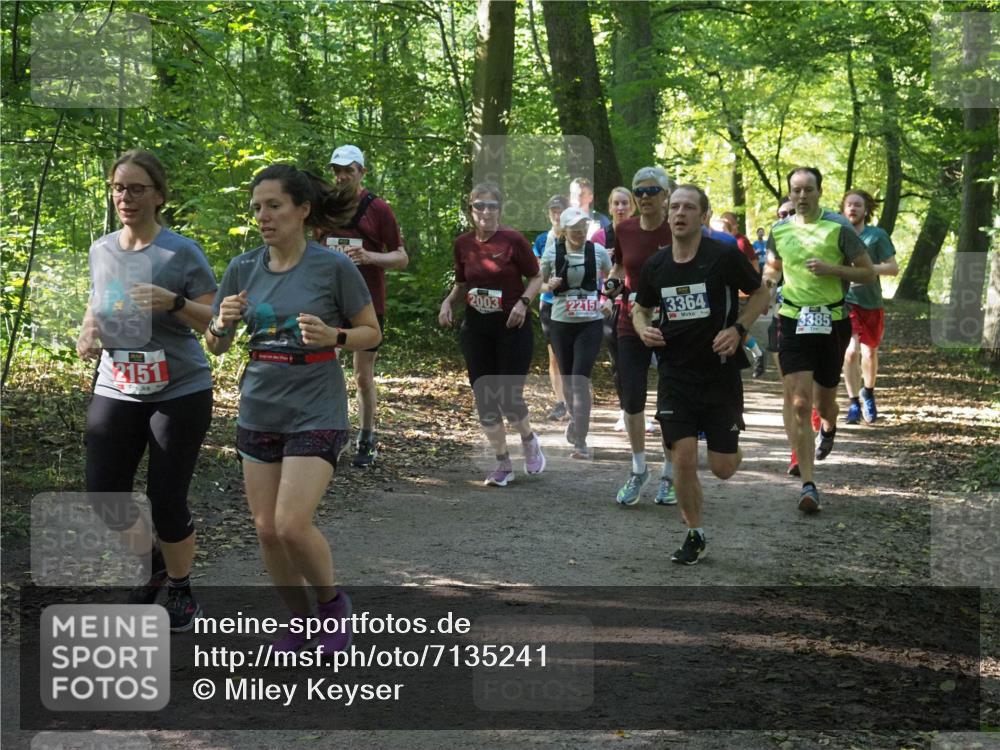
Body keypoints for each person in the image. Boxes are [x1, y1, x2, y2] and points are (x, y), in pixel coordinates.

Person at [207, 164, 381, 653]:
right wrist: (221, 323)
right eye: (257, 208)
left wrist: (336, 336)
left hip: (316, 409)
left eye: (274, 205)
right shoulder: (243, 268)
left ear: (302, 211)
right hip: (258, 409)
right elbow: (217, 345)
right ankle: (301, 622)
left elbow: (372, 331)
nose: (263, 216)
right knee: (265, 531)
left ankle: (331, 606)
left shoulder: (333, 267)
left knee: (290, 523)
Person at [77, 149, 217, 632]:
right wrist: (87, 329)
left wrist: (173, 302)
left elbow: (215, 323)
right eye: (118, 187)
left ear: (158, 196)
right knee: (103, 494)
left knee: (165, 497)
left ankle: (180, 588)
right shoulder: (102, 249)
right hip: (117, 383)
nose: (125, 197)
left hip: (178, 388)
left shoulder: (181, 252)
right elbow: (98, 300)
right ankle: (156, 563)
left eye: (136, 188)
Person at [633, 184, 770, 564]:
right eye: (674, 207)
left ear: (703, 216)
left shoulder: (723, 256)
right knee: (683, 458)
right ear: (666, 214)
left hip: (719, 374)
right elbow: (640, 308)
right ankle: (694, 533)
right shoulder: (655, 266)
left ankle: (730, 448)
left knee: (722, 468)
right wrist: (644, 327)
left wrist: (739, 329)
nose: (679, 213)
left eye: (688, 207)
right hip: (675, 374)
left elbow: (761, 295)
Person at [762, 168, 875, 513]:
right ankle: (808, 485)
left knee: (825, 402)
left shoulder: (838, 227)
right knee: (798, 402)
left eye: (808, 190)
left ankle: (829, 424)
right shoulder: (779, 230)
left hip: (832, 321)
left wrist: (832, 269)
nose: (801, 196)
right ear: (790, 194)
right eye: (796, 190)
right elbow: (773, 268)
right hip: (794, 319)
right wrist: (767, 286)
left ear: (819, 192)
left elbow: (868, 272)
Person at [438, 183, 546, 486]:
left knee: (509, 398)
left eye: (491, 206)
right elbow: (461, 284)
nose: (485, 212)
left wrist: (524, 304)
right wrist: (448, 302)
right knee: (485, 398)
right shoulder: (463, 244)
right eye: (478, 206)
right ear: (470, 210)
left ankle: (528, 438)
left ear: (500, 209)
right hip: (477, 330)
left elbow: (536, 277)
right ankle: (503, 464)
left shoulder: (512, 240)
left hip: (512, 327)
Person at [324, 145, 408, 468]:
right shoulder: (326, 208)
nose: (341, 176)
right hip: (330, 300)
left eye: (348, 170)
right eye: (336, 170)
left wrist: (370, 257)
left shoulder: (378, 209)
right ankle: (331, 432)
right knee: (326, 368)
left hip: (367, 302)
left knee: (362, 375)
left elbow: (401, 257)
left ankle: (366, 437)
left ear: (362, 172)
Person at [606, 166, 677, 506]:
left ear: (666, 196)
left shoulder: (678, 227)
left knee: (670, 400)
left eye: (652, 191)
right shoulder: (625, 228)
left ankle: (669, 473)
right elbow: (621, 267)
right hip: (631, 318)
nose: (645, 197)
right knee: (631, 396)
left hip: (673, 321)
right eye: (640, 191)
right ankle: (638, 469)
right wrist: (612, 283)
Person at [541, 207, 613, 459]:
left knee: (580, 378)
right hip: (561, 322)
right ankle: (574, 417)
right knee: (569, 378)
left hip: (590, 322)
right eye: (575, 230)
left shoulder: (598, 251)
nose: (580, 234)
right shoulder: (552, 252)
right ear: (565, 230)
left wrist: (608, 298)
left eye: (583, 229)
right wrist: (547, 285)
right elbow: (538, 282)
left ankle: (581, 439)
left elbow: (613, 278)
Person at [840, 189, 898, 425]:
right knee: (851, 351)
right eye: (849, 205)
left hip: (872, 302)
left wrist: (866, 270)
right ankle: (853, 402)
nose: (853, 208)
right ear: (843, 209)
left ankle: (869, 393)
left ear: (866, 210)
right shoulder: (838, 234)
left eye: (858, 205)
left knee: (869, 353)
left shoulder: (877, 235)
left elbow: (893, 268)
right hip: (846, 299)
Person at [592, 187, 638, 432]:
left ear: (633, 206)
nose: (621, 208)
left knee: (641, 362)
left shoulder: (642, 232)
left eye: (625, 203)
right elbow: (587, 270)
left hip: (639, 304)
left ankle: (640, 410)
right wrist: (605, 262)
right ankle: (625, 411)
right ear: (609, 208)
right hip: (610, 305)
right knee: (619, 362)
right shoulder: (600, 237)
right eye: (616, 204)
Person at [533, 195, 570, 421]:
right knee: (554, 355)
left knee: (573, 353)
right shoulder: (540, 241)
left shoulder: (577, 236)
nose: (556, 215)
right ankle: (560, 402)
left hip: (573, 304)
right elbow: (536, 278)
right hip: (549, 302)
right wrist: (547, 285)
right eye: (553, 211)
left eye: (560, 211)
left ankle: (576, 399)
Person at [720, 211, 766, 378]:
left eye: (727, 222)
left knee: (737, 327)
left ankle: (755, 354)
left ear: (735, 225)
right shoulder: (717, 240)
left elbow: (754, 265)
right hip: (728, 294)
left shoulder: (741, 241)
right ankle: (757, 354)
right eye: (722, 221)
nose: (724, 225)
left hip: (743, 294)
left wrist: (752, 286)